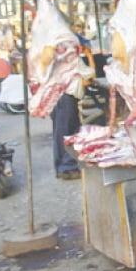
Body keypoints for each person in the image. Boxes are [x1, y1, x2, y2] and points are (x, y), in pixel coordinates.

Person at [51, 46, 95, 180]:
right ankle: (66, 168)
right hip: (66, 98)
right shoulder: (73, 59)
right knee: (67, 133)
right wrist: (89, 55)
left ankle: (62, 167)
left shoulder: (58, 58)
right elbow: (91, 76)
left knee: (60, 133)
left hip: (56, 97)